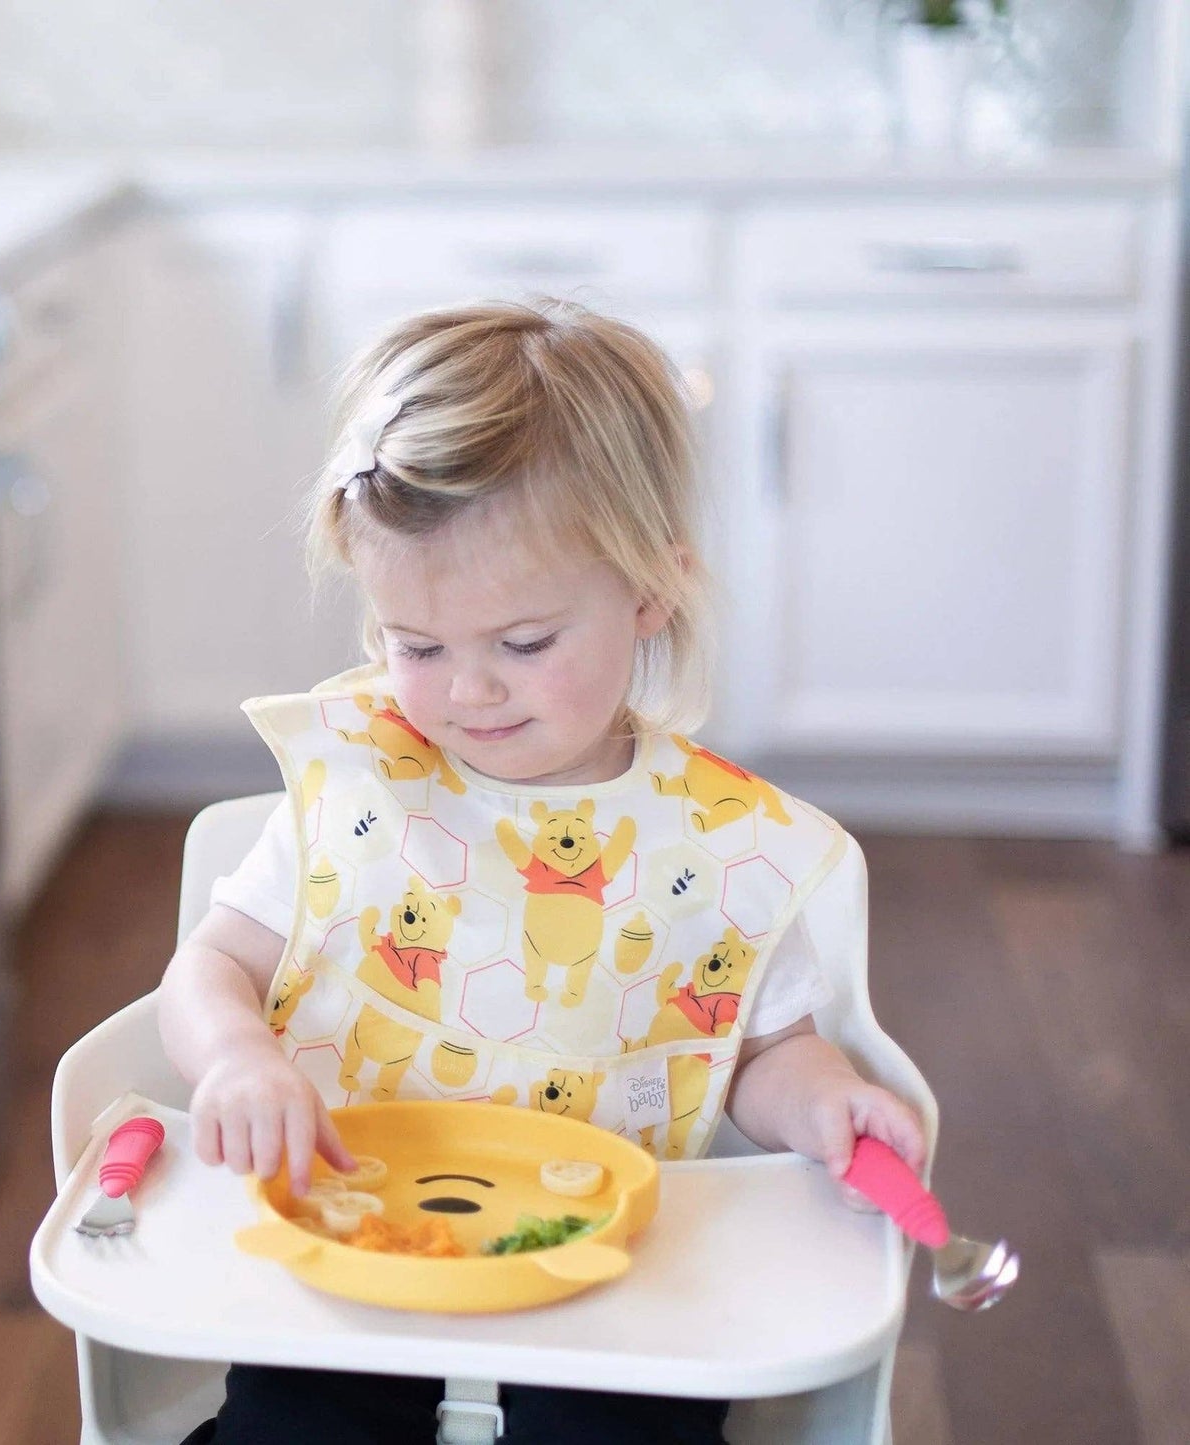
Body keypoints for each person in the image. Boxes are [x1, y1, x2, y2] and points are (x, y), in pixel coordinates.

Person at [161, 298, 926, 1445]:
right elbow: (214, 961)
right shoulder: (366, 785)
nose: (467, 690)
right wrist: (235, 1057)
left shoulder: (714, 841)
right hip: (355, 1234)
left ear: (647, 590)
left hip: (607, 1267)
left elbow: (757, 1046)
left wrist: (822, 1104)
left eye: (522, 644)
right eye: (414, 645)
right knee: (292, 1421)